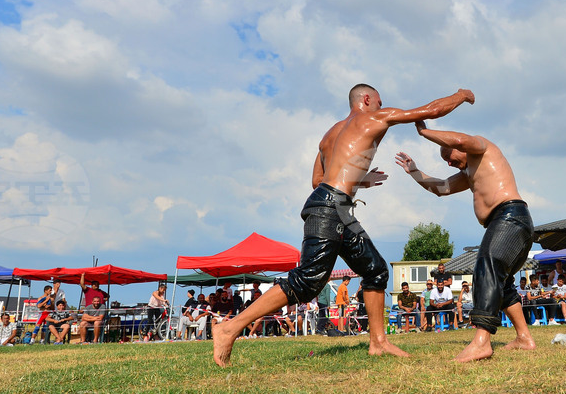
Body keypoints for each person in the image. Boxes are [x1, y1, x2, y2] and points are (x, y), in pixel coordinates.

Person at [211, 85, 478, 366]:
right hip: (330, 208)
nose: (383, 106)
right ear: (366, 100)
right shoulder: (374, 118)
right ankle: (230, 328)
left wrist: (358, 181)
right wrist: (462, 95)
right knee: (308, 280)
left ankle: (379, 342)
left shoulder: (330, 134)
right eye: (379, 101)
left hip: (334, 205)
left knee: (375, 270)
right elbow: (431, 111)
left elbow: (318, 180)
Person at [394, 119, 536, 363]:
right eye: (445, 161)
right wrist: (415, 172)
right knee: (502, 282)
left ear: (461, 147)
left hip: (510, 216)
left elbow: (459, 140)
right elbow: (441, 188)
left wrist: (424, 132)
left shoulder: (483, 147)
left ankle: (482, 341)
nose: (449, 162)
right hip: (506, 222)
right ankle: (524, 338)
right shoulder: (469, 172)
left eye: (449, 156)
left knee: (486, 266)